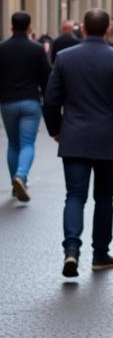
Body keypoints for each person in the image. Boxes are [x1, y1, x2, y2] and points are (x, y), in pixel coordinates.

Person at [43, 8, 113, 277]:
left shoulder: (64, 57)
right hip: (108, 139)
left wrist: (55, 128)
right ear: (109, 28)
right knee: (104, 198)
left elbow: (51, 100)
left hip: (74, 136)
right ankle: (100, 254)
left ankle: (71, 250)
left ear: (83, 29)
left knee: (75, 195)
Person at [0, 11, 51, 202]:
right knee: (27, 143)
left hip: (8, 102)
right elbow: (46, 77)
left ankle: (15, 182)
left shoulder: (2, 48)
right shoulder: (36, 49)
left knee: (13, 143)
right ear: (29, 27)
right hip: (30, 101)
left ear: (11, 26)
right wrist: (50, 101)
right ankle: (21, 176)